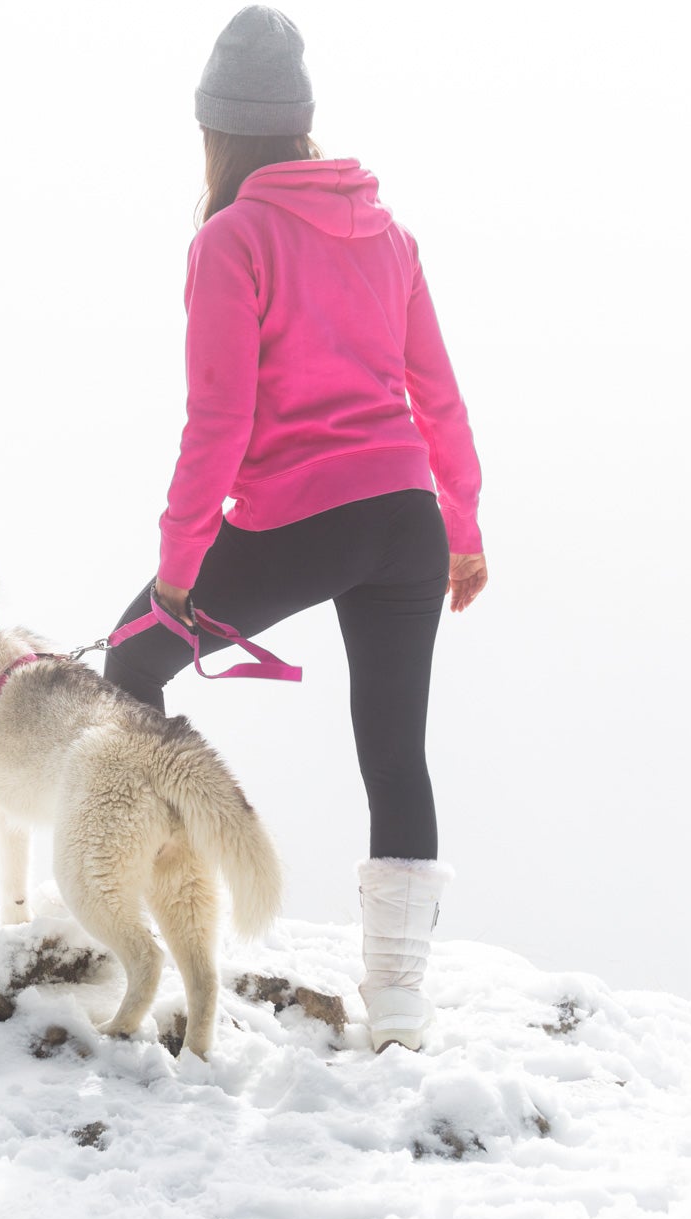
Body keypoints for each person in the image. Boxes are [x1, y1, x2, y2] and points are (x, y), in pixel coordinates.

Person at [102, 5, 487, 1053]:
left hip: (301, 520)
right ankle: (399, 1003)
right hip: (406, 518)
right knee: (395, 750)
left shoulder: (233, 238)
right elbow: (437, 396)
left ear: (217, 132)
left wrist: (180, 573)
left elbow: (218, 423)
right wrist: (464, 527)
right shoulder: (388, 232)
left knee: (127, 670)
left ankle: (128, 904)